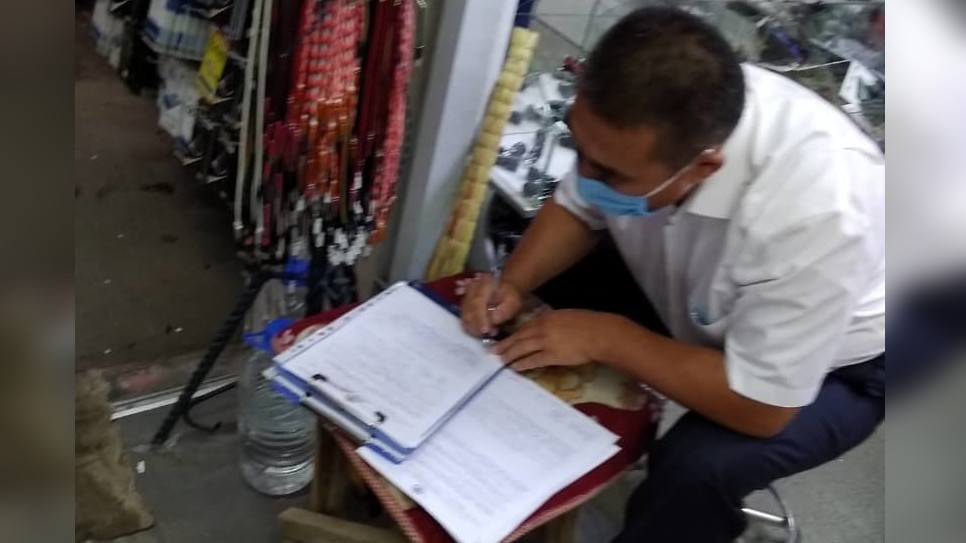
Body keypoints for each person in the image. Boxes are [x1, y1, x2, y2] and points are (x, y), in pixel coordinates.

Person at [460, 7, 885, 543]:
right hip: (693, 284)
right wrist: (511, 285)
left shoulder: (821, 211)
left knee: (696, 471)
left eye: (609, 172)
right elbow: (578, 207)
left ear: (702, 168)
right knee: (538, 302)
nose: (585, 176)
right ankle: (504, 467)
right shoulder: (656, 117)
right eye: (581, 149)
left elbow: (763, 407)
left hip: (839, 364)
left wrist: (609, 338)